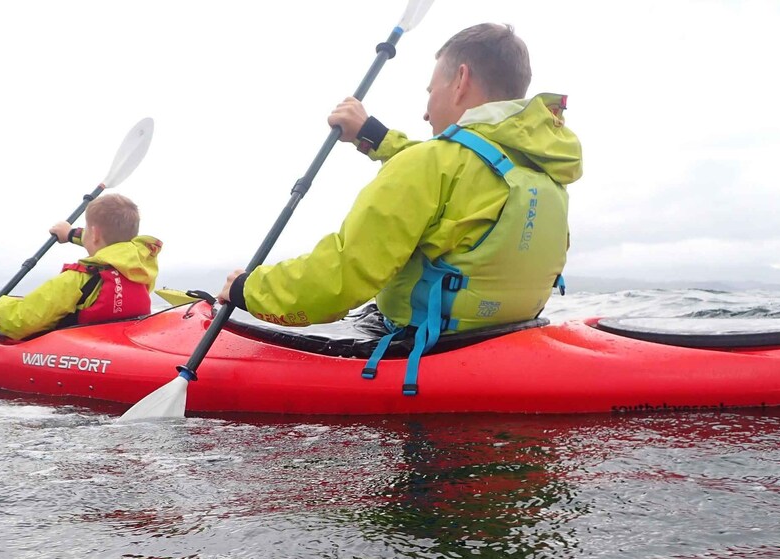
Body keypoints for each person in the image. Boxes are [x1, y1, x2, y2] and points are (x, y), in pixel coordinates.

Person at [217, 24, 582, 387]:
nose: (425, 112)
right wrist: (373, 134)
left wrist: (249, 290)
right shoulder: (544, 171)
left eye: (430, 90)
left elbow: (341, 278)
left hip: (423, 354)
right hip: (505, 340)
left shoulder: (431, 165)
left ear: (461, 80)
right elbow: (456, 172)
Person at [0, 193, 162, 340]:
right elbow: (113, 247)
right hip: (117, 340)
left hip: (78, 344)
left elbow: (24, 320)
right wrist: (70, 233)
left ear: (95, 233)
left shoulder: (78, 279)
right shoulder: (141, 266)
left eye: (87, 229)